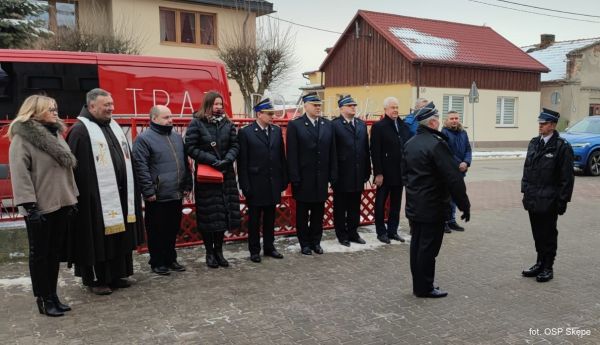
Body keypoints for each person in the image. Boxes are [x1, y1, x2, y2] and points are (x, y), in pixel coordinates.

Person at [67, 88, 143, 295]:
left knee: (118, 235)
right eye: (106, 105)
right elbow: (77, 171)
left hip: (117, 194)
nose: (111, 108)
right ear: (91, 106)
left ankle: (116, 274)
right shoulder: (80, 132)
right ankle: (97, 279)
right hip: (94, 199)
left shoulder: (113, 126)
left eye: (111, 104)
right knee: (97, 239)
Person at [8, 95, 78, 316]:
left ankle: (53, 295)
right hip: (39, 207)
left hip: (62, 203)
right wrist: (29, 207)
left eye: (56, 108)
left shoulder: (55, 133)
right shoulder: (23, 138)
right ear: (34, 112)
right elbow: (20, 175)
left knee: (54, 253)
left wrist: (72, 197)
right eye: (50, 109)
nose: (56, 112)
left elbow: (66, 169)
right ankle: (43, 298)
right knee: (40, 254)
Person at [402, 102, 470, 298]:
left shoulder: (410, 143)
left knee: (417, 246)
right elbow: (453, 178)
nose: (439, 122)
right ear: (432, 123)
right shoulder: (436, 144)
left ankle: (419, 285)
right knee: (428, 248)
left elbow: (404, 174)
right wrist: (464, 205)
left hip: (415, 204)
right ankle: (425, 288)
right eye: (438, 119)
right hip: (432, 206)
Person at [132, 105, 192, 275]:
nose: (170, 120)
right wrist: (148, 190)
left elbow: (184, 163)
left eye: (170, 116)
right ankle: (157, 262)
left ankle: (170, 259)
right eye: (166, 117)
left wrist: (187, 184)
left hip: (176, 192)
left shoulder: (177, 137)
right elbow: (140, 167)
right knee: (157, 230)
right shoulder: (144, 139)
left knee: (172, 228)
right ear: (154, 118)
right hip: (157, 195)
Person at [184, 91, 240, 268]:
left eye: (221, 104)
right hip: (207, 176)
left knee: (222, 215)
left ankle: (219, 251)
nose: (219, 107)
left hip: (226, 174)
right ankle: (209, 252)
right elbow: (190, 148)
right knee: (208, 217)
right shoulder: (197, 123)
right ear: (208, 105)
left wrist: (228, 159)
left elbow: (235, 145)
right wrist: (211, 160)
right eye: (216, 104)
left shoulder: (227, 123)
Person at [521, 108, 574, 283]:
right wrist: (525, 191)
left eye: (543, 124)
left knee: (548, 234)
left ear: (552, 125)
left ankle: (548, 266)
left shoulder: (561, 147)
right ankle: (539, 263)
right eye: (540, 123)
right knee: (537, 232)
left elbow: (567, 177)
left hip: (549, 199)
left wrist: (563, 200)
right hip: (533, 197)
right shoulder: (534, 143)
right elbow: (527, 170)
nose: (540, 126)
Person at [238, 98, 288, 263]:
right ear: (259, 114)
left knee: (269, 218)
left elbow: (281, 157)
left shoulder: (275, 130)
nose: (272, 116)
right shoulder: (246, 132)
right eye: (269, 113)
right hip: (255, 182)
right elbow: (242, 162)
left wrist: (283, 179)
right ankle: (254, 250)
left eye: (272, 113)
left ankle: (269, 247)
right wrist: (245, 184)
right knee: (254, 219)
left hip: (272, 182)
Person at [287, 92, 337, 255]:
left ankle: (316, 241)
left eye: (319, 105)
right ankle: (305, 243)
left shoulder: (327, 125)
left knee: (318, 212)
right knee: (302, 213)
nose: (318, 108)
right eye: (314, 105)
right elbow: (292, 154)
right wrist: (294, 177)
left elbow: (332, 152)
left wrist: (332, 174)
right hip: (303, 177)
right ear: (306, 105)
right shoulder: (296, 125)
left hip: (321, 177)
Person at [370, 97, 411, 244]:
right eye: (392, 107)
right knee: (380, 203)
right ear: (385, 109)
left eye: (397, 107)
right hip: (385, 173)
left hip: (400, 173)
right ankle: (381, 232)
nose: (395, 110)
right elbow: (375, 151)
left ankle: (393, 231)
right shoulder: (379, 127)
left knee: (395, 204)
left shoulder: (403, 126)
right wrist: (378, 173)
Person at [331, 95, 371, 246]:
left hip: (358, 173)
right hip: (342, 174)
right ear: (341, 108)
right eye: (350, 106)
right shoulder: (334, 125)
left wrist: (367, 170)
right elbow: (332, 151)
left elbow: (365, 149)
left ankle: (353, 232)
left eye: (354, 105)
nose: (353, 107)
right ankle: (342, 235)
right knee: (340, 207)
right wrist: (333, 174)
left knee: (355, 206)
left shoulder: (361, 124)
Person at [441, 110, 472, 233]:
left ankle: (452, 220)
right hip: (449, 171)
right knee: (446, 197)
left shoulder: (463, 133)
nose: (454, 120)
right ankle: (444, 222)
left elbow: (468, 149)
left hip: (460, 171)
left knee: (455, 197)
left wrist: (466, 162)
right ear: (447, 120)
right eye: (451, 118)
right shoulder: (444, 133)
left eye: (456, 118)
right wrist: (460, 163)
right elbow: (447, 152)